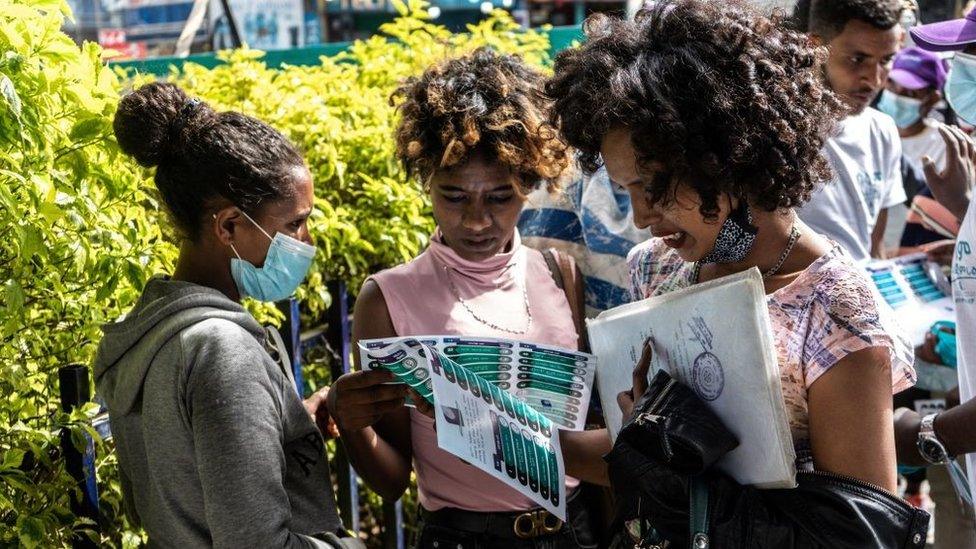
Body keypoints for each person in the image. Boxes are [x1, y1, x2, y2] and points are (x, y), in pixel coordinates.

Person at [546, 1, 926, 545]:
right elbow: (627, 458)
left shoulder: (836, 312)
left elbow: (861, 535)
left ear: (730, 159)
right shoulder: (655, 267)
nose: (641, 218)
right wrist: (504, 431)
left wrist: (684, 491)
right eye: (624, 189)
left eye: (653, 185)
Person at [325, 48, 610, 548]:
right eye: (453, 197)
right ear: (427, 185)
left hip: (575, 531)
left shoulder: (559, 273)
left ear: (529, 184)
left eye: (500, 198)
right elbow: (391, 481)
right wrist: (354, 428)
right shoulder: (387, 298)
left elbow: (586, 427)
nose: (477, 221)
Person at [93, 82, 353, 547]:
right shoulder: (222, 351)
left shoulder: (153, 333)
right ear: (229, 225)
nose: (307, 241)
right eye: (294, 223)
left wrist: (290, 423)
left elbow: (186, 476)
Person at [795, 0, 908, 261]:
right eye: (857, 60)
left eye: (887, 60)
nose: (875, 78)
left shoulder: (883, 131)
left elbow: (873, 249)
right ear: (815, 46)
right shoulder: (780, 130)